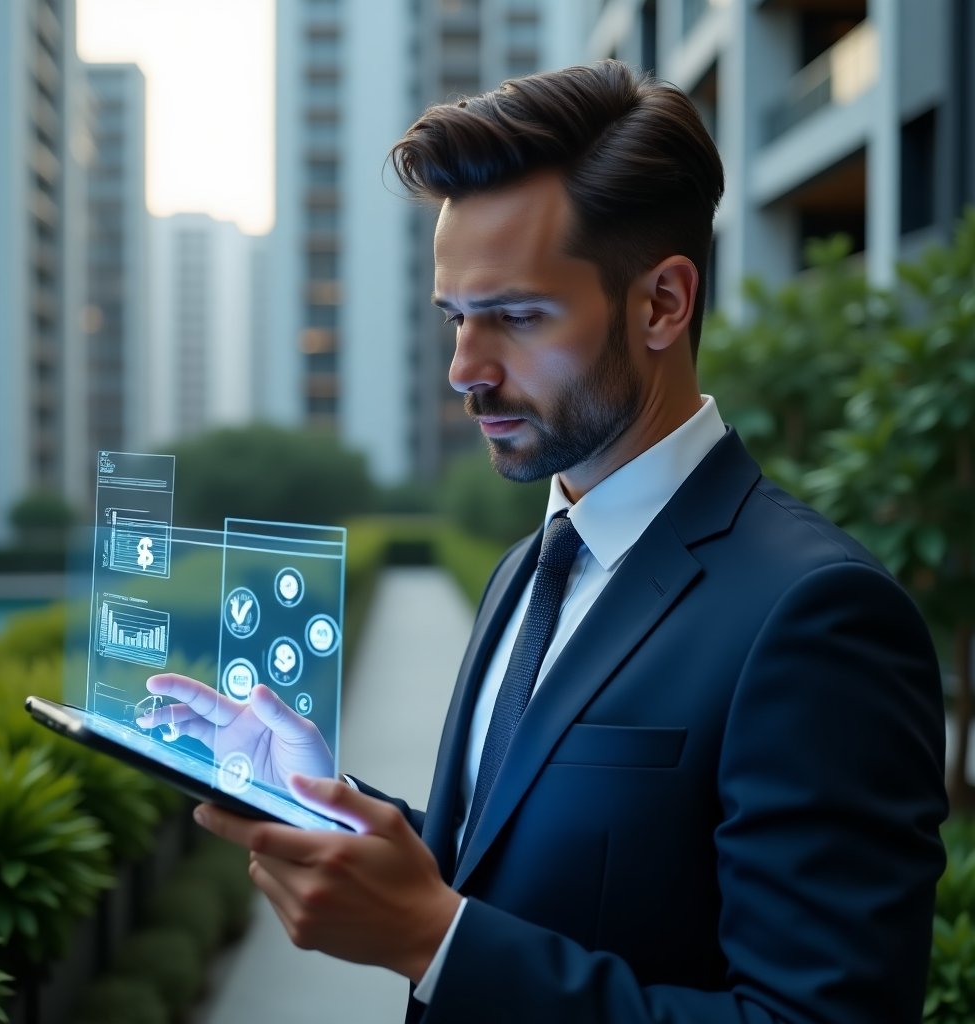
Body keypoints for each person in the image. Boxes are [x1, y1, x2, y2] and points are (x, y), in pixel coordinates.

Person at [148, 61, 948, 1023]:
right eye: (454, 318)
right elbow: (508, 866)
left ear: (663, 304)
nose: (465, 370)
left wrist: (430, 943)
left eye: (517, 318)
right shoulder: (528, 570)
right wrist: (321, 799)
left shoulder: (817, 615)